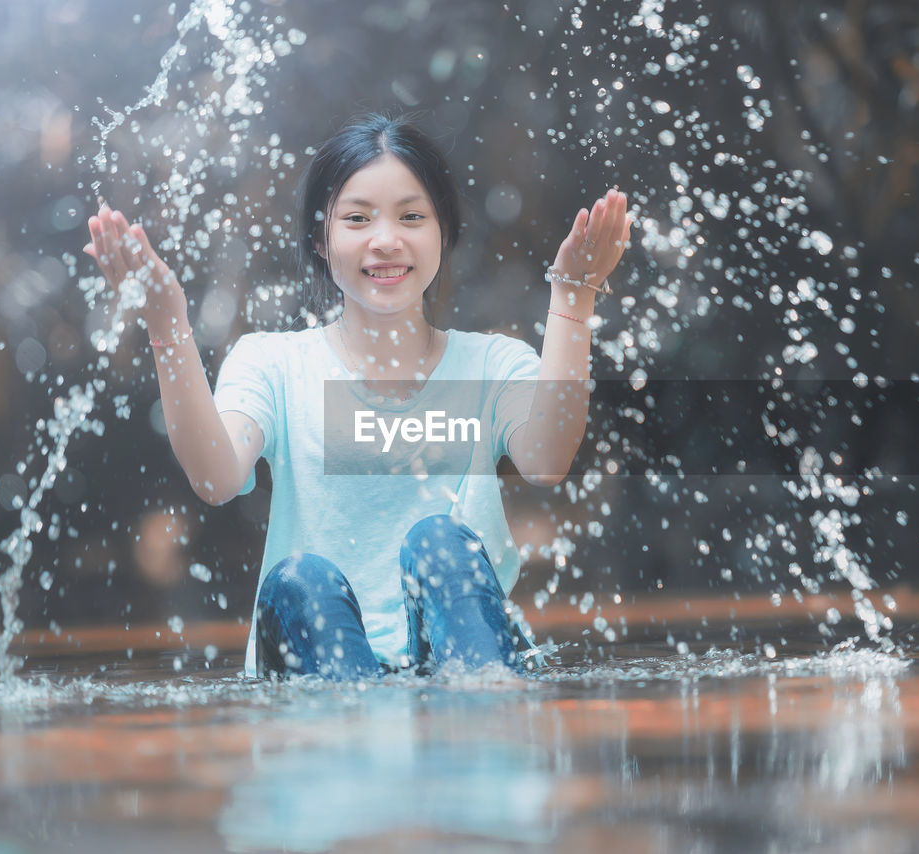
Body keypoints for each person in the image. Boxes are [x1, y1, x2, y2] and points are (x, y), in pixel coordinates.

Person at [83, 113, 630, 680]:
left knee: (439, 543)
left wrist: (575, 297)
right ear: (322, 238)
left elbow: (546, 460)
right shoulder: (272, 363)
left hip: (461, 664)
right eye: (358, 218)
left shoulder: (492, 364)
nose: (387, 240)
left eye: (412, 217)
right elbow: (216, 478)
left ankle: (482, 722)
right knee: (302, 581)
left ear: (444, 231)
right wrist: (167, 324)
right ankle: (354, 731)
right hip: (321, 667)